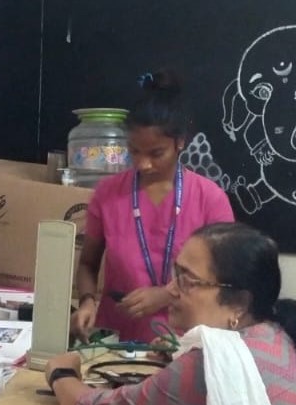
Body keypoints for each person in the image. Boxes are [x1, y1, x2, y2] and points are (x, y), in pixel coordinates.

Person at [47, 222, 296, 405]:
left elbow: (94, 404)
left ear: (239, 303)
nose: (171, 289)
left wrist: (61, 371)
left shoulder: (206, 365)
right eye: (176, 273)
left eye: (187, 280)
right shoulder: (286, 333)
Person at [70, 70, 234, 343]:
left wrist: (166, 295)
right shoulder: (107, 194)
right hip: (115, 339)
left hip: (184, 340)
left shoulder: (210, 199)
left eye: (156, 153)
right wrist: (87, 301)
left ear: (180, 142)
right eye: (134, 151)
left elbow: (224, 276)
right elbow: (88, 263)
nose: (143, 164)